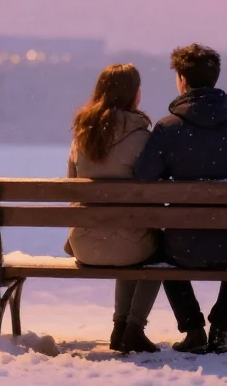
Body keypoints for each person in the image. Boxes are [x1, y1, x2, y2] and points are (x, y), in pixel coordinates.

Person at [133, 44, 227, 355]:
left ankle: (194, 328)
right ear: (215, 79)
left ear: (182, 80)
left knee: (161, 251)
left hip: (183, 245)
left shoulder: (168, 128)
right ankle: (221, 329)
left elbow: (144, 178)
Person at [64, 63, 162, 354]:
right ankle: (132, 327)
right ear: (135, 94)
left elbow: (72, 187)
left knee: (126, 234)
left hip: (85, 246)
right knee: (154, 250)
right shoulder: (143, 137)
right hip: (130, 247)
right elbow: (151, 192)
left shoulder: (81, 136)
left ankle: (120, 327)